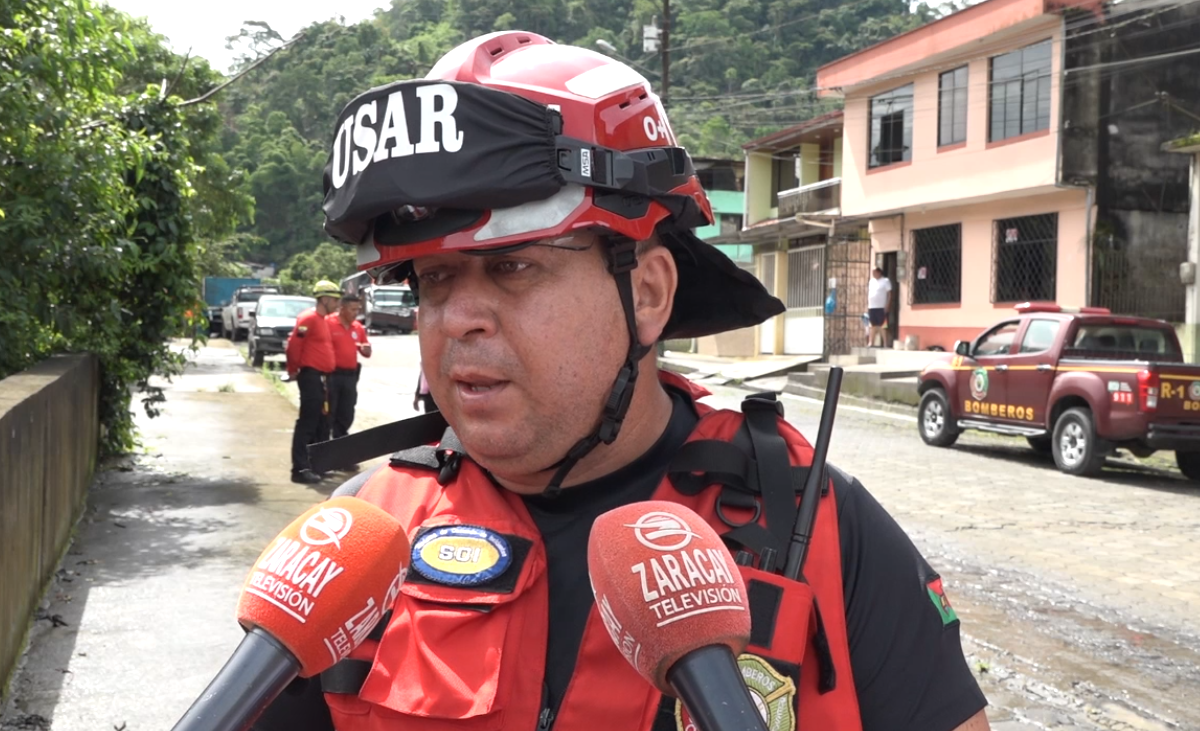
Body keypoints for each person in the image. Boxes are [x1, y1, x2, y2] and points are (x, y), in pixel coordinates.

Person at [253, 32, 991, 731]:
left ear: (646, 293)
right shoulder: (367, 536)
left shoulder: (827, 527)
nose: (458, 319)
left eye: (513, 266)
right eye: (435, 279)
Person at [284, 280, 340, 484]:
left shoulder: (323, 320)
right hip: (311, 376)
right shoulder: (309, 318)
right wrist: (292, 370)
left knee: (322, 423)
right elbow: (293, 346)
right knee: (308, 422)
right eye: (334, 300)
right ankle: (299, 469)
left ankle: (317, 465)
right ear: (324, 299)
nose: (337, 304)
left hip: (324, 378)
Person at [326, 292, 372, 441]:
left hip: (350, 376)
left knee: (347, 411)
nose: (356, 313)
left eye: (358, 309)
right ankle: (324, 444)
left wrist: (366, 349)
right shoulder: (328, 323)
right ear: (342, 308)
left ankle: (340, 443)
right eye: (352, 309)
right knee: (329, 411)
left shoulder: (357, 327)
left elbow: (366, 350)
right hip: (331, 375)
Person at [867, 267, 893, 348]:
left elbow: (889, 294)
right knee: (872, 325)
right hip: (872, 306)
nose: (873, 274)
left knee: (883, 325)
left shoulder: (885, 281)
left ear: (879, 272)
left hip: (881, 307)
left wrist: (887, 305)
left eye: (874, 272)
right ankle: (871, 342)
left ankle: (885, 343)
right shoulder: (871, 281)